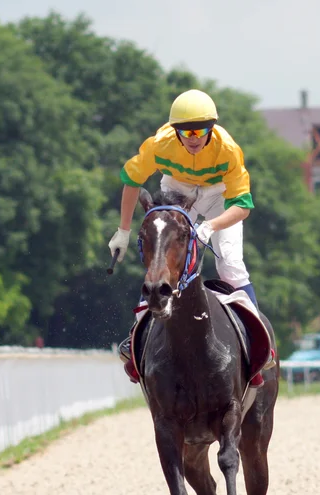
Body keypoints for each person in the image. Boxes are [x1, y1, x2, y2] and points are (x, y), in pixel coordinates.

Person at [108, 89, 259, 362]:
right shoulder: (159, 143)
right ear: (175, 131)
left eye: (200, 132)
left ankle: (257, 342)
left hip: (218, 195)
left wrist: (210, 227)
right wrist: (123, 230)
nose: (193, 140)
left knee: (231, 266)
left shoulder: (227, 150)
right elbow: (132, 181)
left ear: (211, 129)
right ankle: (136, 338)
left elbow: (243, 206)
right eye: (186, 133)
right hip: (177, 189)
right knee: (162, 262)